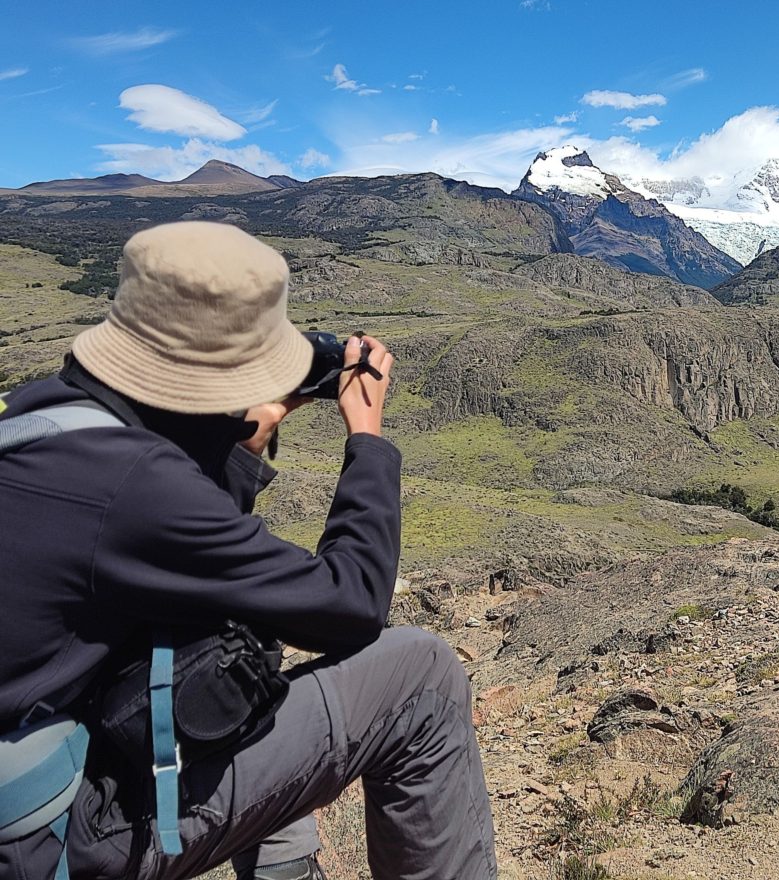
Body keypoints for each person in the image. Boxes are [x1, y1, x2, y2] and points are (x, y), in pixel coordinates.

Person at [0, 222, 496, 880]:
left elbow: (165, 555)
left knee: (232, 642)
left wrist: (231, 445)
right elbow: (350, 604)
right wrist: (369, 440)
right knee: (422, 676)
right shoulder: (140, 486)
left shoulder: (36, 414)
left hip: (36, 771)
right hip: (54, 838)